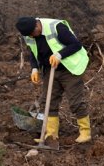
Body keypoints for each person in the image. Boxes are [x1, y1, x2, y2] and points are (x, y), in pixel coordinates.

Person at [16, 16, 91, 145]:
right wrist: (34, 68)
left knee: (75, 101)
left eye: (33, 33)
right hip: (50, 69)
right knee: (48, 101)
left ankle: (85, 132)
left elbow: (76, 45)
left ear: (37, 25)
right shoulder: (29, 35)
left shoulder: (56, 27)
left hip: (70, 68)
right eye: (29, 35)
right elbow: (33, 52)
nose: (32, 37)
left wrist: (59, 54)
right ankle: (51, 135)